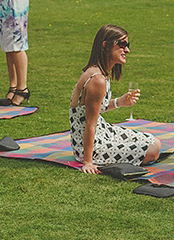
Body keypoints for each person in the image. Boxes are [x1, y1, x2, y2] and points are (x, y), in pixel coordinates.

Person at [68, 25, 161, 174]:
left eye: (127, 45)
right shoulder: (96, 79)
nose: (127, 50)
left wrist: (120, 102)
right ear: (105, 45)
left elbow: (96, 108)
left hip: (104, 131)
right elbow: (90, 124)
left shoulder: (101, 72)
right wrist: (87, 161)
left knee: (155, 141)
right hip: (91, 144)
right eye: (122, 45)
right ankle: (97, 158)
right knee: (152, 151)